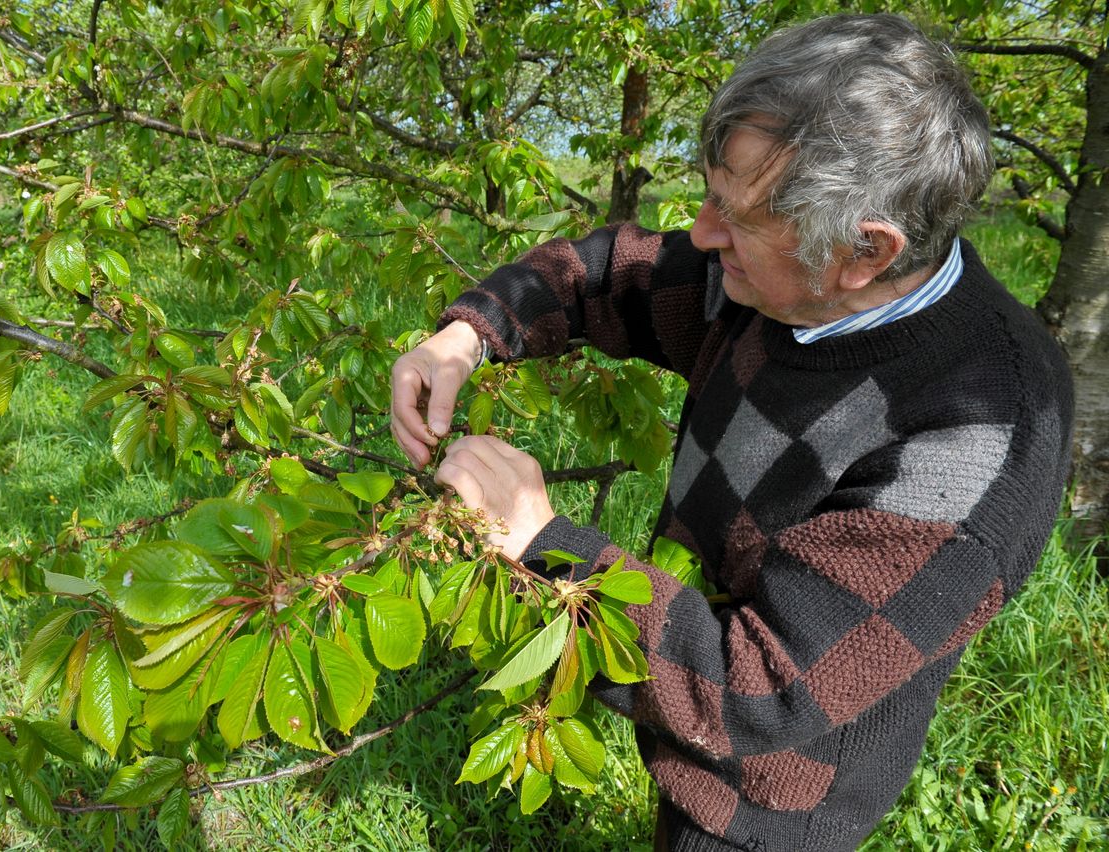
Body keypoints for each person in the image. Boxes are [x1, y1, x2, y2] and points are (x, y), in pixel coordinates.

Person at [389, 14, 1073, 852]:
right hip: (679, 706)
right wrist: (467, 335)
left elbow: (758, 690)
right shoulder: (780, 282)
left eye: (736, 214)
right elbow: (608, 274)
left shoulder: (974, 435)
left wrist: (541, 539)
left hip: (772, 803)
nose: (705, 234)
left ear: (865, 250)